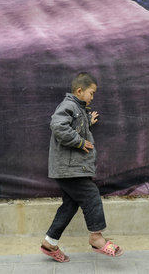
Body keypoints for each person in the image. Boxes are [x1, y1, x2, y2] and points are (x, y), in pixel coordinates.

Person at [40, 72, 123, 263]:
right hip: (69, 168)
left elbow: (71, 126)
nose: (93, 97)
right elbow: (58, 126)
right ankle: (96, 238)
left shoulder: (77, 109)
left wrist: (87, 123)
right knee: (91, 194)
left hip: (71, 168)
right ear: (80, 90)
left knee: (70, 204)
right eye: (91, 93)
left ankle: (49, 242)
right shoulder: (69, 105)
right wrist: (79, 141)